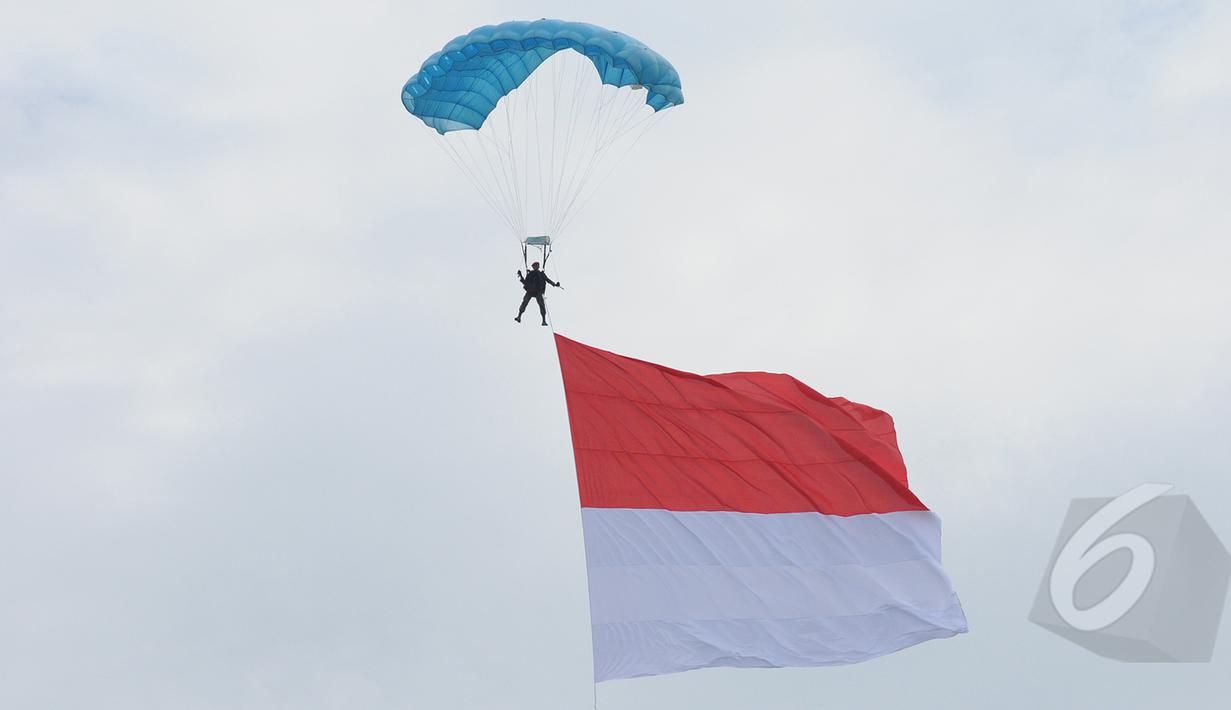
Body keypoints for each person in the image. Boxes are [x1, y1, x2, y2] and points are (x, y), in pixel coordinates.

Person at [515, 261, 561, 326]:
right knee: (525, 302)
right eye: (534, 266)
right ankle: (519, 316)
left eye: (536, 266)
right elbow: (525, 282)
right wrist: (521, 276)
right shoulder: (530, 273)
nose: (535, 267)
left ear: (538, 266)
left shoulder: (541, 274)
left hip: (538, 291)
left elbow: (548, 280)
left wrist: (555, 284)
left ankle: (544, 320)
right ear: (533, 267)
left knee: (541, 304)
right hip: (530, 290)